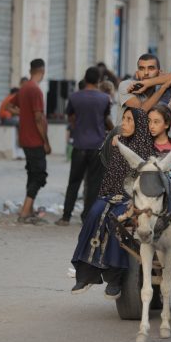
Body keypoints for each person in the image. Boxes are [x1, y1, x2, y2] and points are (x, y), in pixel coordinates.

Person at [71, 107, 156, 299]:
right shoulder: (117, 143)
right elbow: (109, 175)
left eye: (128, 120)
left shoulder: (147, 150)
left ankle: (114, 279)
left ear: (139, 124)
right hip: (110, 195)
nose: (123, 124)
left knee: (115, 222)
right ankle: (85, 275)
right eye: (123, 119)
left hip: (133, 200)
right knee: (93, 214)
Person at [57, 67, 113, 227]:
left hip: (79, 144)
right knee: (94, 183)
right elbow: (105, 119)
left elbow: (71, 117)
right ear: (98, 81)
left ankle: (66, 217)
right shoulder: (104, 98)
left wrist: (77, 128)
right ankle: (87, 217)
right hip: (97, 146)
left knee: (74, 181)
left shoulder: (74, 97)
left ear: (85, 78)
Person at [7, 59, 51, 224]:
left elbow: (9, 107)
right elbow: (39, 118)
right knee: (40, 174)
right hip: (35, 140)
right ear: (42, 71)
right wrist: (45, 141)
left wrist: (23, 114)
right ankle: (25, 211)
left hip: (25, 139)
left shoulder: (24, 88)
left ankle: (29, 208)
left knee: (32, 173)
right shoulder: (35, 90)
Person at [116, 54, 171, 124]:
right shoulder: (126, 85)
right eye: (141, 69)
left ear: (159, 73)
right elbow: (141, 112)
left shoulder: (159, 89)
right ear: (137, 73)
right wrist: (163, 87)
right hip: (122, 134)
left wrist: (149, 82)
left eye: (151, 68)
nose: (146, 73)